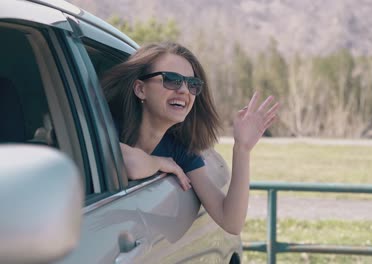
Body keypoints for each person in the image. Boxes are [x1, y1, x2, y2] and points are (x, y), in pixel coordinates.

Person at [101, 42, 279, 235]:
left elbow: (231, 222)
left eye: (192, 84)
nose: (184, 91)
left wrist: (242, 149)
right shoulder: (103, 126)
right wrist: (159, 162)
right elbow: (129, 164)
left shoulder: (180, 149)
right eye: (172, 80)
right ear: (140, 89)